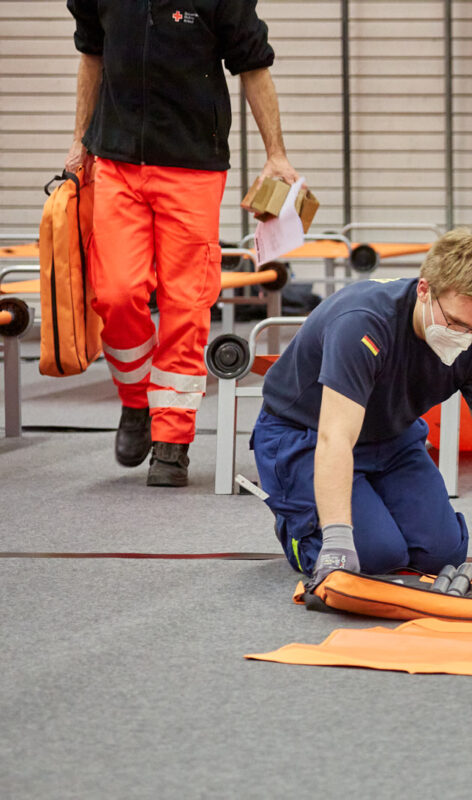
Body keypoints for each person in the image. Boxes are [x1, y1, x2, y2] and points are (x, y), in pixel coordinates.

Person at [66, 0, 297, 486]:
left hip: (193, 166)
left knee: (185, 303)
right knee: (115, 292)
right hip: (114, 161)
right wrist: (77, 142)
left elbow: (254, 66)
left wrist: (276, 154)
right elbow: (92, 54)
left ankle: (173, 439)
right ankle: (136, 402)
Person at [250, 230, 472, 585]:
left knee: (442, 555)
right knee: (373, 556)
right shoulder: (363, 323)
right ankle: (299, 528)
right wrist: (335, 538)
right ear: (424, 290)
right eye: (456, 323)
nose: (466, 338)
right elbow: (335, 438)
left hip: (391, 436)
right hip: (306, 436)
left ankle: (362, 511)